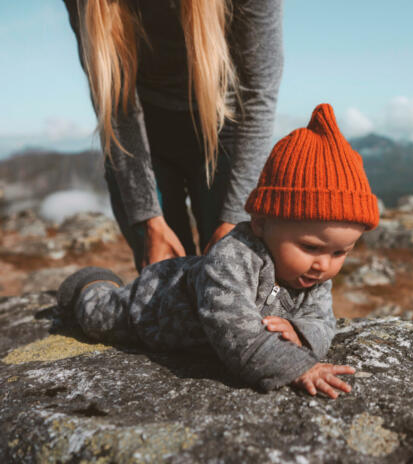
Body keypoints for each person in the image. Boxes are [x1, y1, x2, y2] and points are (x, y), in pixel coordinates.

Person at [57, 104, 380, 397]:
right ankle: (90, 283)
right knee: (97, 316)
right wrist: (298, 367)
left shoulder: (315, 277)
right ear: (260, 223)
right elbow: (235, 331)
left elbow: (323, 322)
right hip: (151, 305)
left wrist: (300, 331)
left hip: (189, 328)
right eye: (310, 247)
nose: (324, 265)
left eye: (341, 253)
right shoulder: (234, 257)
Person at [63, 0, 283, 271]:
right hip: (141, 136)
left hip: (225, 123)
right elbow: (115, 102)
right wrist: (149, 219)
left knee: (234, 273)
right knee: (165, 279)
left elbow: (258, 93)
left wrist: (235, 217)